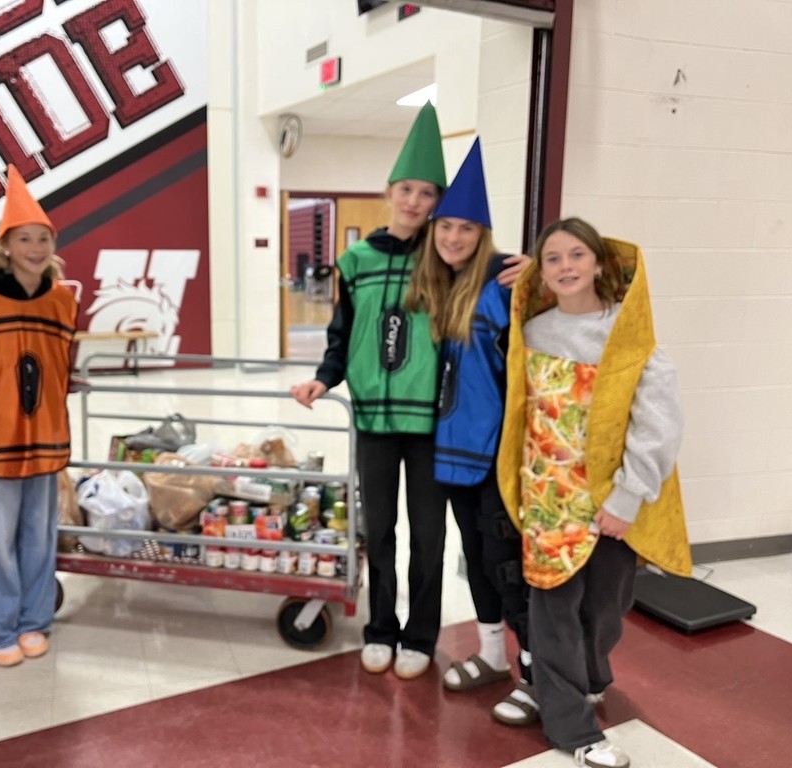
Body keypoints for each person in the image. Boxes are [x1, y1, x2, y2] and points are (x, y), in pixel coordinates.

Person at [496, 217, 691, 768]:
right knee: (552, 608)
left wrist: (628, 497)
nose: (566, 267)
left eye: (577, 255)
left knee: (607, 604)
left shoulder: (628, 337)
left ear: (600, 263)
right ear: (541, 271)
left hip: (610, 501)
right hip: (549, 500)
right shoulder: (532, 332)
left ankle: (587, 677)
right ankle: (573, 728)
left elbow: (657, 426)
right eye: (553, 258)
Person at [291, 102, 452, 681]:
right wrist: (325, 376)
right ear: (389, 192)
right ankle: (381, 628)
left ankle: (421, 636)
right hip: (374, 420)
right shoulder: (355, 261)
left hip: (431, 421)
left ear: (437, 201)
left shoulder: (446, 256)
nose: (414, 201)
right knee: (378, 530)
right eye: (406, 189)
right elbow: (343, 332)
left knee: (428, 536)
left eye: (427, 193)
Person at [404, 137, 535, 724]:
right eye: (446, 226)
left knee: (509, 567)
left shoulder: (507, 282)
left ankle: (539, 676)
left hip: (497, 455)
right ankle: (492, 656)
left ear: (483, 234)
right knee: (477, 561)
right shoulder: (440, 286)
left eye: (466, 228)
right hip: (452, 453)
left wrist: (540, 275)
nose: (454, 237)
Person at [0, 166, 78, 668]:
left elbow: (61, 363)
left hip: (47, 437)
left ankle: (35, 621)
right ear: (6, 246)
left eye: (43, 238)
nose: (35, 247)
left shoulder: (62, 300)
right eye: (24, 238)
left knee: (39, 536)